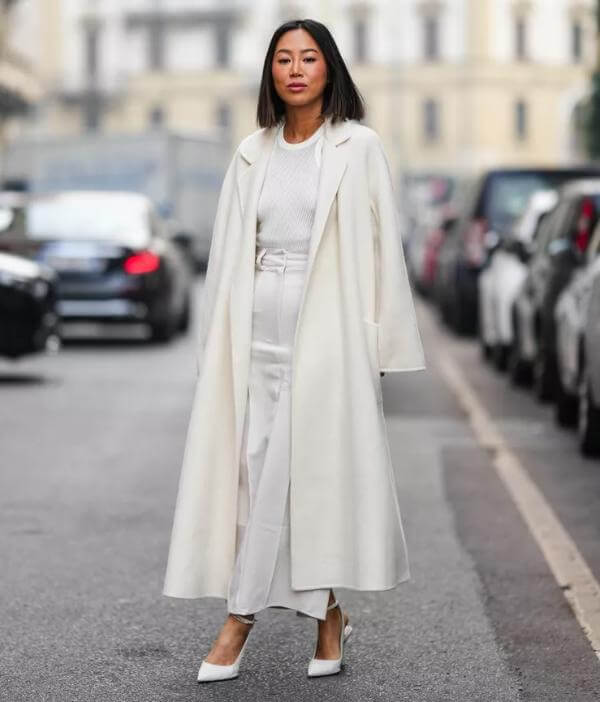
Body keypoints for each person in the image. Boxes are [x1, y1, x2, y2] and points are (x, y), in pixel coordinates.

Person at [162, 18, 426, 683]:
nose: (297, 68)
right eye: (284, 58)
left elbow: (379, 250)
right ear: (270, 74)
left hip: (328, 335)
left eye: (309, 57)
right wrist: (214, 345)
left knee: (298, 477)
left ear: (330, 69)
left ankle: (237, 621)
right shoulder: (252, 151)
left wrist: (379, 345)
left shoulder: (357, 147)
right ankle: (328, 612)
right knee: (257, 482)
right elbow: (227, 256)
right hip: (257, 334)